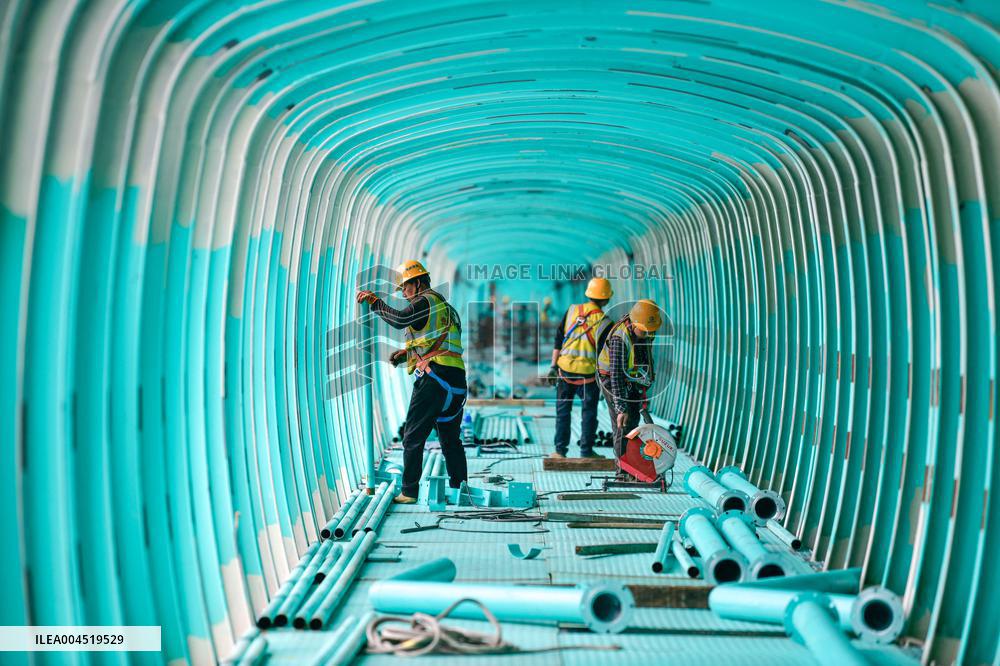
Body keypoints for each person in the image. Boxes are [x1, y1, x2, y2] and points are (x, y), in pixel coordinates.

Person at [356, 259, 468, 504]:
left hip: (434, 380)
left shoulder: (423, 301)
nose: (404, 294)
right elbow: (439, 342)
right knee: (451, 440)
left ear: (418, 283)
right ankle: (462, 488)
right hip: (457, 381)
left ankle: (409, 491)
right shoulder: (446, 307)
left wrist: (375, 303)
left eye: (406, 287)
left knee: (412, 436)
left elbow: (398, 320)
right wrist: (406, 355)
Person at [546, 277, 613, 459]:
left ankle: (560, 451)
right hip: (588, 376)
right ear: (606, 299)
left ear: (588, 294)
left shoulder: (572, 310)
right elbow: (605, 354)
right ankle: (586, 451)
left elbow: (559, 338)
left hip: (564, 371)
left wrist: (553, 366)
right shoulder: (605, 321)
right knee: (589, 413)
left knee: (562, 412)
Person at [597, 299, 662, 459]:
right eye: (645, 331)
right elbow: (616, 375)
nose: (649, 334)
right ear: (634, 324)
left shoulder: (644, 330)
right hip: (611, 380)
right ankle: (622, 471)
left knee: (633, 421)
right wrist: (621, 408)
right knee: (622, 424)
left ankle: (631, 464)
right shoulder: (619, 339)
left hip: (629, 380)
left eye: (651, 331)